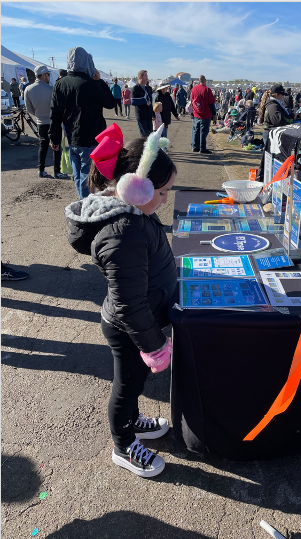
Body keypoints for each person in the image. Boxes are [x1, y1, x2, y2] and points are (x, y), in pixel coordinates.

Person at [65, 125, 177, 478]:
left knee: (136, 381)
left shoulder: (135, 213)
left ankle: (133, 423)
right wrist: (155, 345)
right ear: (137, 187)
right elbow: (129, 303)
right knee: (126, 385)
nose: (165, 199)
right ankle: (123, 444)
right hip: (130, 327)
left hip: (140, 321)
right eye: (163, 192)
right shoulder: (123, 231)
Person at [50, 47, 117, 199]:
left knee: (78, 174)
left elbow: (55, 114)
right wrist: (99, 81)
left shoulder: (60, 84)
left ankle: (83, 202)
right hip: (91, 137)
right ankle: (85, 206)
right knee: (87, 177)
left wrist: (54, 138)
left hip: (71, 137)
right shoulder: (92, 84)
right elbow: (110, 103)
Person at [24, 65, 66, 180]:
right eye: (48, 75)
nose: (48, 77)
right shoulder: (51, 89)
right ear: (43, 75)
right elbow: (58, 108)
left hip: (40, 122)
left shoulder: (28, 89)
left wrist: (38, 115)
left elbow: (29, 109)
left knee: (43, 146)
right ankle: (57, 171)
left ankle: (41, 170)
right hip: (53, 122)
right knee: (56, 146)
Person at [189, 75, 216, 153]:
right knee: (203, 131)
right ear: (205, 81)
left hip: (196, 113)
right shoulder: (207, 90)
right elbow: (211, 104)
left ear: (198, 80)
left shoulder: (194, 89)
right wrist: (214, 114)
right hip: (205, 114)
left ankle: (195, 146)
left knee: (195, 130)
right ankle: (202, 148)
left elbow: (192, 101)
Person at [130, 70, 155, 136]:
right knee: (145, 137)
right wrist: (145, 101)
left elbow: (151, 102)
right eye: (146, 76)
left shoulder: (148, 88)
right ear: (140, 77)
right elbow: (132, 101)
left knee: (151, 136)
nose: (147, 78)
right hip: (141, 116)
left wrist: (153, 114)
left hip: (149, 116)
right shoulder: (135, 88)